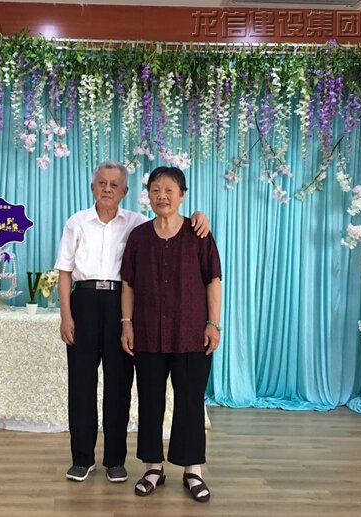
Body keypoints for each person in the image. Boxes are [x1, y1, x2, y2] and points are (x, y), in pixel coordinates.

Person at [55, 161, 210, 483]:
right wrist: (66, 315)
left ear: (125, 191)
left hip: (121, 304)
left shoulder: (137, 224)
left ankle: (115, 460)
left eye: (114, 184)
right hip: (84, 302)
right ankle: (82, 458)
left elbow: (172, 220)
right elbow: (65, 271)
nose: (107, 189)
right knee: (81, 384)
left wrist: (199, 215)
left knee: (119, 384)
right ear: (92, 187)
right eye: (101, 183)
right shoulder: (76, 222)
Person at [120, 166, 222, 502]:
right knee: (150, 401)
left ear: (182, 195)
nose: (161, 196)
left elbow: (213, 280)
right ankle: (153, 467)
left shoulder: (199, 233)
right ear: (147, 195)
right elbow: (128, 283)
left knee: (190, 401)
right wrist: (127, 323)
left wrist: (213, 324)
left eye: (168, 190)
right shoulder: (139, 236)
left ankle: (193, 470)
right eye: (155, 190)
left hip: (191, 333)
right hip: (148, 333)